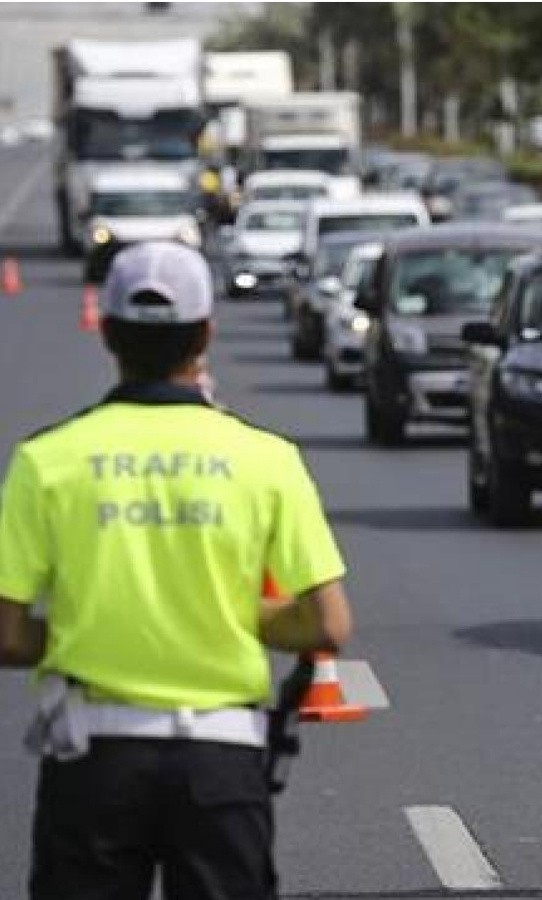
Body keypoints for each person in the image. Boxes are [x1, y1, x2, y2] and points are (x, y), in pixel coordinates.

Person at [0, 240, 353, 900]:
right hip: (222, 764)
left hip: (93, 758)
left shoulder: (47, 460)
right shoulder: (265, 458)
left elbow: (7, 634)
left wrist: (97, 624)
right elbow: (327, 623)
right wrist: (222, 613)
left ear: (106, 332)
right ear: (207, 335)